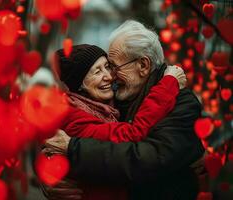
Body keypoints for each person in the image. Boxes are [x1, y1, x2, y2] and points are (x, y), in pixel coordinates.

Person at [43, 20, 205, 200]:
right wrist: (52, 174)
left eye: (113, 67)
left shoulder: (182, 104)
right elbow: (60, 140)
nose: (111, 76)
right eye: (101, 70)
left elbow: (144, 160)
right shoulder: (114, 100)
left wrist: (72, 149)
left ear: (143, 66)